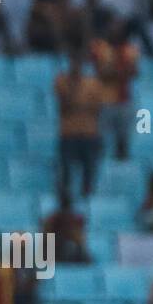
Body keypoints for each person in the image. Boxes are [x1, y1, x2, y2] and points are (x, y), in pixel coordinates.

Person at [54, 51, 105, 201]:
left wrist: (79, 104)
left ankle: (87, 194)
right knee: (66, 166)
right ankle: (65, 194)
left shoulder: (93, 83)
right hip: (68, 132)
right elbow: (65, 104)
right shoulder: (62, 81)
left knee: (90, 166)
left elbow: (96, 107)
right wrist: (74, 90)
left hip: (89, 132)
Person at [90, 15, 139, 161]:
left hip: (124, 99)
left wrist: (115, 72)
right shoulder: (99, 47)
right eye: (112, 26)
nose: (115, 29)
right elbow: (101, 72)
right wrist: (121, 72)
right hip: (103, 100)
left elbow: (134, 72)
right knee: (100, 139)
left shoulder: (131, 49)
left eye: (118, 26)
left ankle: (122, 171)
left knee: (123, 139)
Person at [42, 191, 90, 263]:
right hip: (55, 250)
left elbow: (79, 239)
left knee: (71, 246)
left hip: (68, 251)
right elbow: (46, 236)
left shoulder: (74, 219)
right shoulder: (54, 218)